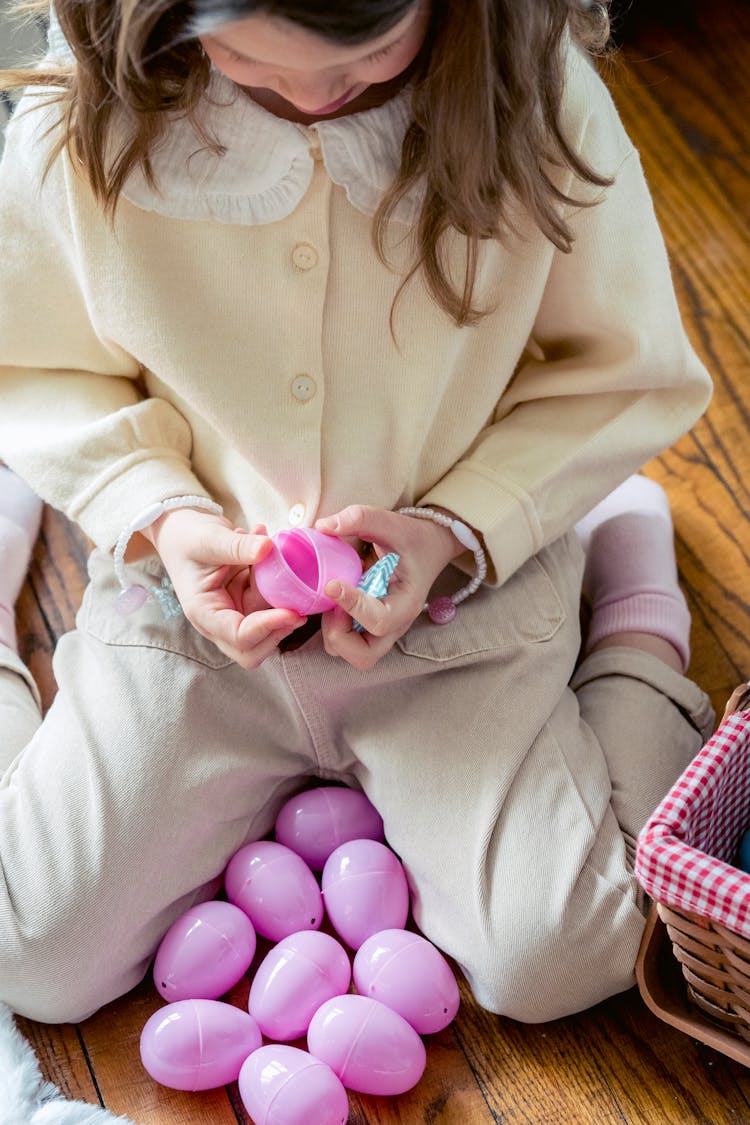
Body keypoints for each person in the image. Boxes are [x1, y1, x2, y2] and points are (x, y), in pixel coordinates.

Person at [0, 0, 715, 1026]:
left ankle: (633, 599)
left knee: (568, 953)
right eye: (247, 54)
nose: (308, 96)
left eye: (369, 53)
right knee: (29, 951)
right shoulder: (87, 114)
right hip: (194, 611)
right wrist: (160, 517)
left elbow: (621, 373)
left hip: (455, 601)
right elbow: (36, 362)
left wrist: (456, 530)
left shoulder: (534, 99)